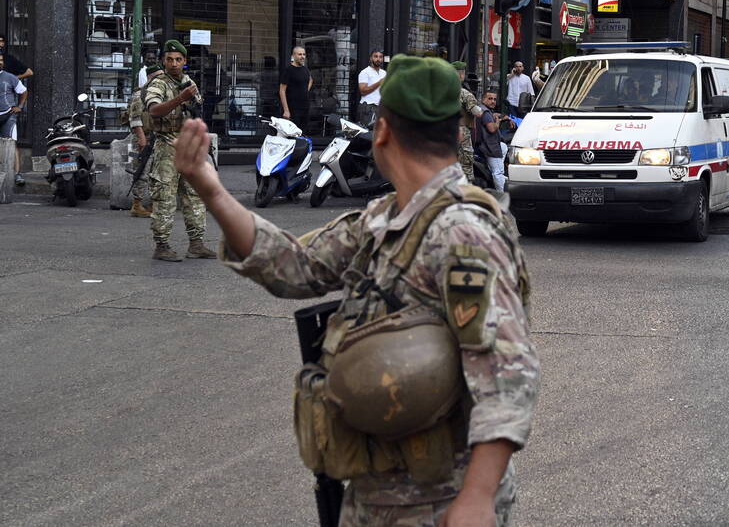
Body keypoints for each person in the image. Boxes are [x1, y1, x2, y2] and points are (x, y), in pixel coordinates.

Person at [171, 54, 539, 525]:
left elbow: (508, 373)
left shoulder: (463, 231)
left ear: (382, 133)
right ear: (456, 133)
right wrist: (211, 189)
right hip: (375, 493)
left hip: (441, 502)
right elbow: (297, 268)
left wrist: (478, 498)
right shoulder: (386, 217)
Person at [144, 40, 215, 262]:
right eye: (169, 59)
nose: (174, 64)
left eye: (178, 59)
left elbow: (198, 109)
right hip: (167, 146)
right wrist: (180, 99)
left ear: (184, 61)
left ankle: (196, 244)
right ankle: (162, 246)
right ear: (163, 61)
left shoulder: (188, 81)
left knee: (195, 196)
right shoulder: (158, 84)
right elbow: (154, 110)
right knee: (165, 197)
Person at [122, 58, 164, 217]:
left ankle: (154, 205)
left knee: (157, 173)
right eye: (159, 77)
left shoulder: (159, 94)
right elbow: (135, 118)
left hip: (157, 138)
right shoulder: (140, 94)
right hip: (143, 137)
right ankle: (137, 205)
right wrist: (141, 139)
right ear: (151, 77)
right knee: (142, 171)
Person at [455, 61, 485, 182]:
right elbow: (476, 112)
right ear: (461, 75)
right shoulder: (464, 93)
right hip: (461, 131)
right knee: (466, 162)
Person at [476, 89, 507, 190]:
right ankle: (501, 195)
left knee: (504, 147)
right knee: (498, 173)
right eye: (490, 99)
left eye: (494, 99)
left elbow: (493, 115)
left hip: (487, 146)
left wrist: (504, 117)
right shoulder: (485, 113)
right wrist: (498, 122)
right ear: (483, 99)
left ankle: (497, 170)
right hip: (490, 147)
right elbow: (492, 129)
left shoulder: (483, 110)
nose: (493, 101)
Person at [279, 45, 313, 131]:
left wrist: (305, 91)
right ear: (294, 55)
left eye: (304, 54)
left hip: (305, 108)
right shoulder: (289, 70)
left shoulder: (305, 69)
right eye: (300, 54)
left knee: (302, 134)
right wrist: (286, 110)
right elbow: (282, 90)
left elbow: (310, 80)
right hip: (292, 109)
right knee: (292, 134)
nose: (302, 56)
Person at [356, 50, 386, 127]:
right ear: (370, 58)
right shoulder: (365, 72)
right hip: (368, 108)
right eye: (375, 56)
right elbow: (363, 91)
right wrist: (379, 82)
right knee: (367, 134)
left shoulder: (384, 73)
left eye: (380, 57)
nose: (378, 59)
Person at [0, 55, 27, 140]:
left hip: (8, 115)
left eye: (1, 60)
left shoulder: (9, 77)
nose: (0, 62)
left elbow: (23, 91)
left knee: (10, 144)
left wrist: (20, 106)